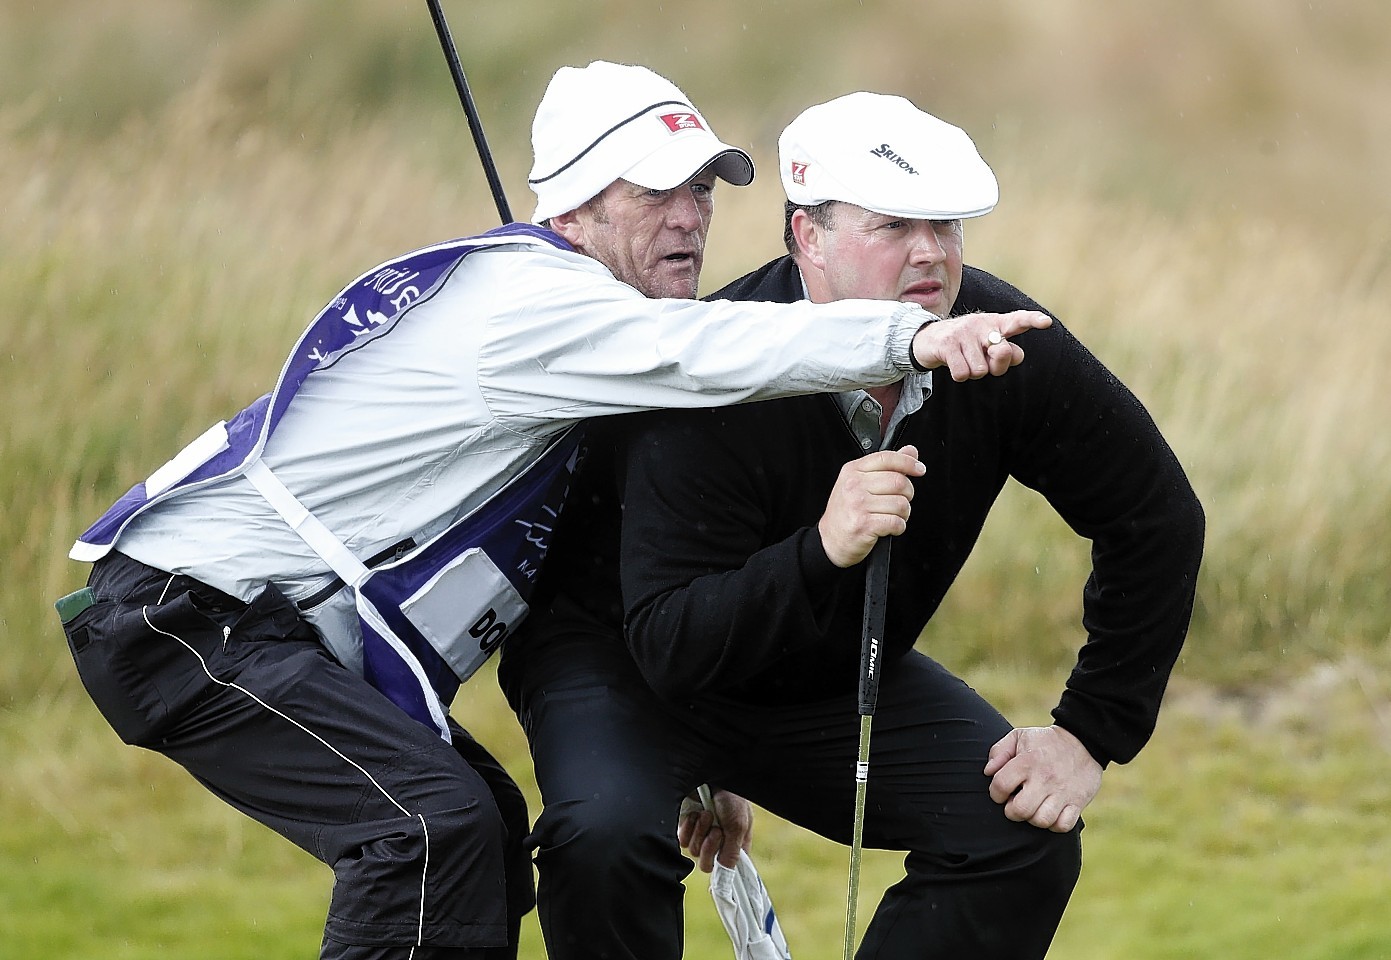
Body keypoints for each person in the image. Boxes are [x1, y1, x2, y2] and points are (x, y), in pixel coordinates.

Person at [54, 63, 1049, 960]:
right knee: (425, 832)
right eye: (655, 190)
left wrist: (698, 759)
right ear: (571, 208)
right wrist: (904, 341)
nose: (690, 216)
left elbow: (625, 570)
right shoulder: (535, 305)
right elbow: (707, 355)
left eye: (701, 188)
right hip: (187, 615)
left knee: (478, 833)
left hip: (253, 624)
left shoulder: (574, 323)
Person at [499, 91, 1205, 959]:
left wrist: (1090, 729)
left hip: (812, 672)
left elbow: (1156, 517)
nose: (930, 254)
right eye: (893, 226)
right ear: (808, 237)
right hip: (624, 657)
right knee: (603, 838)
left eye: (946, 228)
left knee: (1018, 834)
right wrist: (819, 552)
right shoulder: (709, 367)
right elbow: (670, 643)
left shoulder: (997, 341)